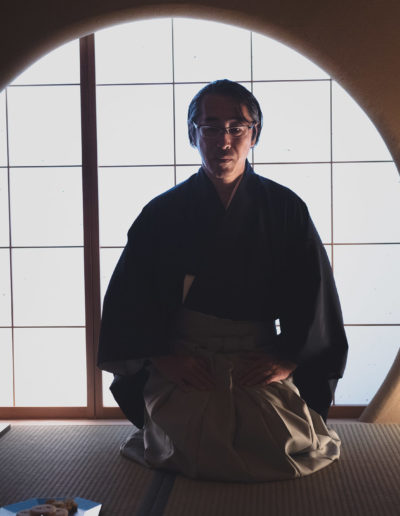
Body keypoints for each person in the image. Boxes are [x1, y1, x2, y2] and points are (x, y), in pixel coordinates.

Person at [98, 79, 348, 482]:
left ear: (255, 134)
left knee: (278, 443)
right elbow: (130, 298)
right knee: (189, 441)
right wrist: (164, 358)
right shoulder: (162, 214)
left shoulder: (285, 209)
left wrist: (287, 359)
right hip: (187, 358)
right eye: (211, 127)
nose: (224, 140)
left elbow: (313, 293)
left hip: (257, 356)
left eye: (237, 127)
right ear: (193, 133)